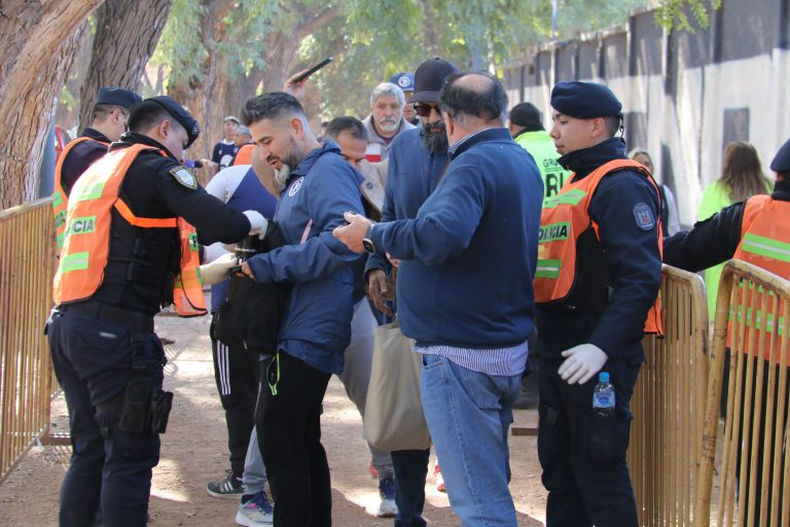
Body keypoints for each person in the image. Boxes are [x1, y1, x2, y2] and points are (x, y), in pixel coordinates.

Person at [46, 95, 268, 527]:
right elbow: (221, 223)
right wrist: (256, 222)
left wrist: (206, 274)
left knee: (89, 451)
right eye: (183, 142)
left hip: (68, 325)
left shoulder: (101, 169)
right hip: (115, 334)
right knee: (129, 454)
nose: (184, 154)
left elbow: (124, 256)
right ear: (164, 130)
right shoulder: (154, 166)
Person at [334, 71, 542, 527]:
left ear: (450, 118)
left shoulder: (472, 163)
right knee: (485, 487)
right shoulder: (519, 159)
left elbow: (441, 234)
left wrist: (373, 236)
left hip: (462, 351)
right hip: (496, 345)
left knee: (478, 502)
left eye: (433, 112)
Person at [534, 81, 663, 527]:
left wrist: (602, 346)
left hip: (596, 355)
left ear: (595, 127)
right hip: (561, 349)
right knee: (562, 474)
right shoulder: (580, 180)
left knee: (599, 473)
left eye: (563, 121)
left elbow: (640, 277)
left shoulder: (620, 184)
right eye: (554, 119)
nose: (553, 130)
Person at [238, 92, 365, 527]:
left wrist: (269, 265)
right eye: (257, 142)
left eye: (267, 140)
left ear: (296, 127)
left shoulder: (327, 170)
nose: (264, 151)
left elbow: (345, 242)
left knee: (279, 435)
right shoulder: (302, 173)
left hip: (312, 326)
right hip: (297, 322)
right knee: (298, 438)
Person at [663, 138, 790, 527]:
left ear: (778, 174)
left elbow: (685, 249)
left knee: (757, 459)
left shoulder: (752, 211)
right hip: (757, 361)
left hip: (753, 362)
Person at [363, 56, 457, 527]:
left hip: (463, 310)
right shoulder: (402, 149)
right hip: (409, 303)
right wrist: (376, 263)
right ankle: (409, 514)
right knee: (406, 413)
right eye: (421, 111)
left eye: (439, 110)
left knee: (460, 420)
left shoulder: (475, 151)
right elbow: (391, 215)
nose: (431, 120)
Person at [202, 158, 278, 505]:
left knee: (275, 394)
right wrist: (235, 257)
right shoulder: (230, 178)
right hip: (231, 309)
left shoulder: (297, 179)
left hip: (272, 309)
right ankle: (242, 473)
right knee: (239, 395)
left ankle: (268, 474)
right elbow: (200, 230)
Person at [53, 86, 142, 250]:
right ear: (116, 116)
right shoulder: (94, 154)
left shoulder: (79, 149)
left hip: (79, 258)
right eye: (135, 124)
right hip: (92, 262)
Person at [698, 141, 772, 316]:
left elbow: (705, 229)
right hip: (763, 278)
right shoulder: (770, 189)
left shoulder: (716, 191)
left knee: (721, 334)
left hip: (723, 276)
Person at [508, 101, 570, 201]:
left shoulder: (514, 152)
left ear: (510, 125)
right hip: (565, 214)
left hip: (536, 216)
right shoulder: (560, 147)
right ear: (539, 122)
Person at [629, 148, 682, 236]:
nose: (644, 167)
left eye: (647, 164)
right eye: (638, 164)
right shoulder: (624, 193)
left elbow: (674, 229)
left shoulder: (664, 192)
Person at [362, 82, 415, 163]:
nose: (388, 113)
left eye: (394, 106)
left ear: (402, 109)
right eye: (381, 107)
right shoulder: (356, 134)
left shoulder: (416, 137)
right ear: (371, 109)